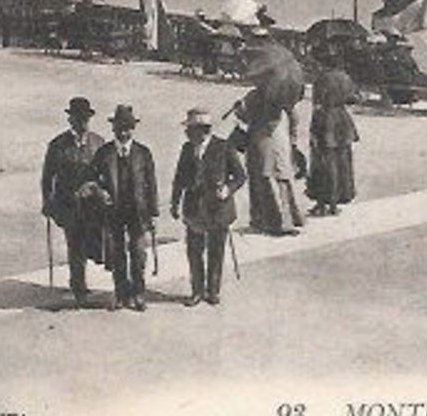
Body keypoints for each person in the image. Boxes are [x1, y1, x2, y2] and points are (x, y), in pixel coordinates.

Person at [169, 107, 246, 306]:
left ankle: (213, 291)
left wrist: (228, 189)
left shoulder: (223, 147)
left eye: (191, 129)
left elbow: (240, 175)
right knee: (194, 252)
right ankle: (196, 291)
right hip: (194, 209)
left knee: (216, 251)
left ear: (204, 130)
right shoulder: (187, 149)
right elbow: (179, 179)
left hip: (218, 209)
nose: (187, 133)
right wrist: (174, 203)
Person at [40, 96, 106, 307]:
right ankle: (79, 287)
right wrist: (47, 201)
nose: (82, 123)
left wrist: (96, 189)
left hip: (93, 206)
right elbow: (47, 177)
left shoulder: (98, 143)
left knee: (92, 243)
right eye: (77, 118)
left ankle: (80, 280)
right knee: (75, 244)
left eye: (85, 118)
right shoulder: (58, 145)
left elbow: (104, 174)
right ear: (70, 120)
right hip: (68, 204)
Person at [91, 105, 158, 311]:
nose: (123, 132)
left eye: (127, 128)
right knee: (117, 254)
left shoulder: (143, 153)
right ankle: (121, 294)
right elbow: (93, 179)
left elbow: (151, 185)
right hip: (113, 212)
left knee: (138, 254)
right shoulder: (104, 153)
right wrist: (100, 192)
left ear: (133, 129)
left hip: (138, 211)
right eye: (119, 127)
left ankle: (138, 293)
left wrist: (153, 213)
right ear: (113, 128)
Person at [236, 87, 304, 236]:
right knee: (281, 177)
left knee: (261, 177)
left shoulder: (253, 95)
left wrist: (238, 110)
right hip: (279, 137)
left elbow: (244, 117)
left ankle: (262, 220)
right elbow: (295, 118)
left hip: (260, 138)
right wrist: (293, 139)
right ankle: (288, 219)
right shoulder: (283, 95)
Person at [307, 82, 360, 217]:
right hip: (340, 129)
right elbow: (354, 99)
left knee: (322, 167)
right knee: (340, 167)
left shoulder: (322, 80)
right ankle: (333, 204)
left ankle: (321, 204)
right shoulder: (343, 79)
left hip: (325, 129)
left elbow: (316, 103)